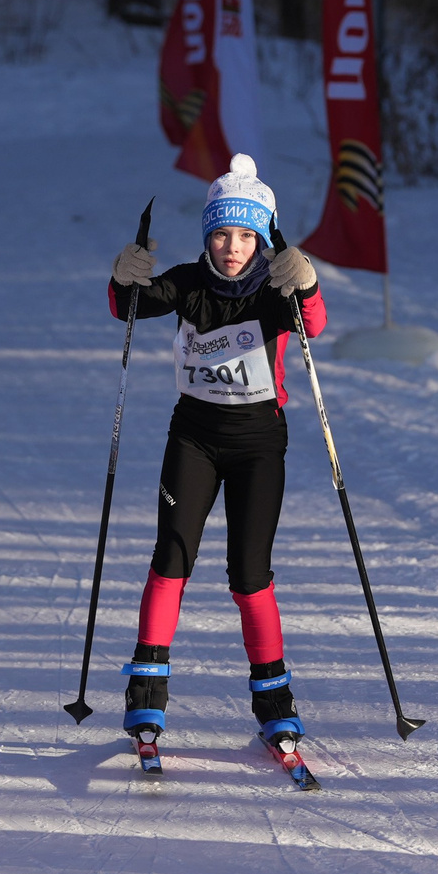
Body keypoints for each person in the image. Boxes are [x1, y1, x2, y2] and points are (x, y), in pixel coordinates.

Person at [107, 153, 327, 785]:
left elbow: (312, 323)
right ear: (208, 235)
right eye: (223, 234)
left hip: (260, 443)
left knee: (249, 573)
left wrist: (306, 282)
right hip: (194, 439)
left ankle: (275, 706)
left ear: (263, 237)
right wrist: (124, 277)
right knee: (171, 556)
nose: (233, 248)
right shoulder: (188, 283)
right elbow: (129, 307)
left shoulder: (275, 288)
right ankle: (146, 700)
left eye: (246, 235)